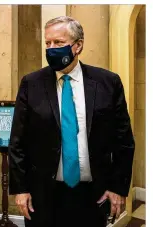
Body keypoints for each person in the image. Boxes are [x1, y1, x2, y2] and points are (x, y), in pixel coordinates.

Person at [8, 16, 135, 227]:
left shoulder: (108, 83)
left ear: (78, 46)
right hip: (43, 194)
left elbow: (123, 141)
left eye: (58, 43)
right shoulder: (32, 84)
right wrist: (21, 189)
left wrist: (118, 188)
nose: (51, 49)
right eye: (47, 43)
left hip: (93, 194)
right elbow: (18, 140)